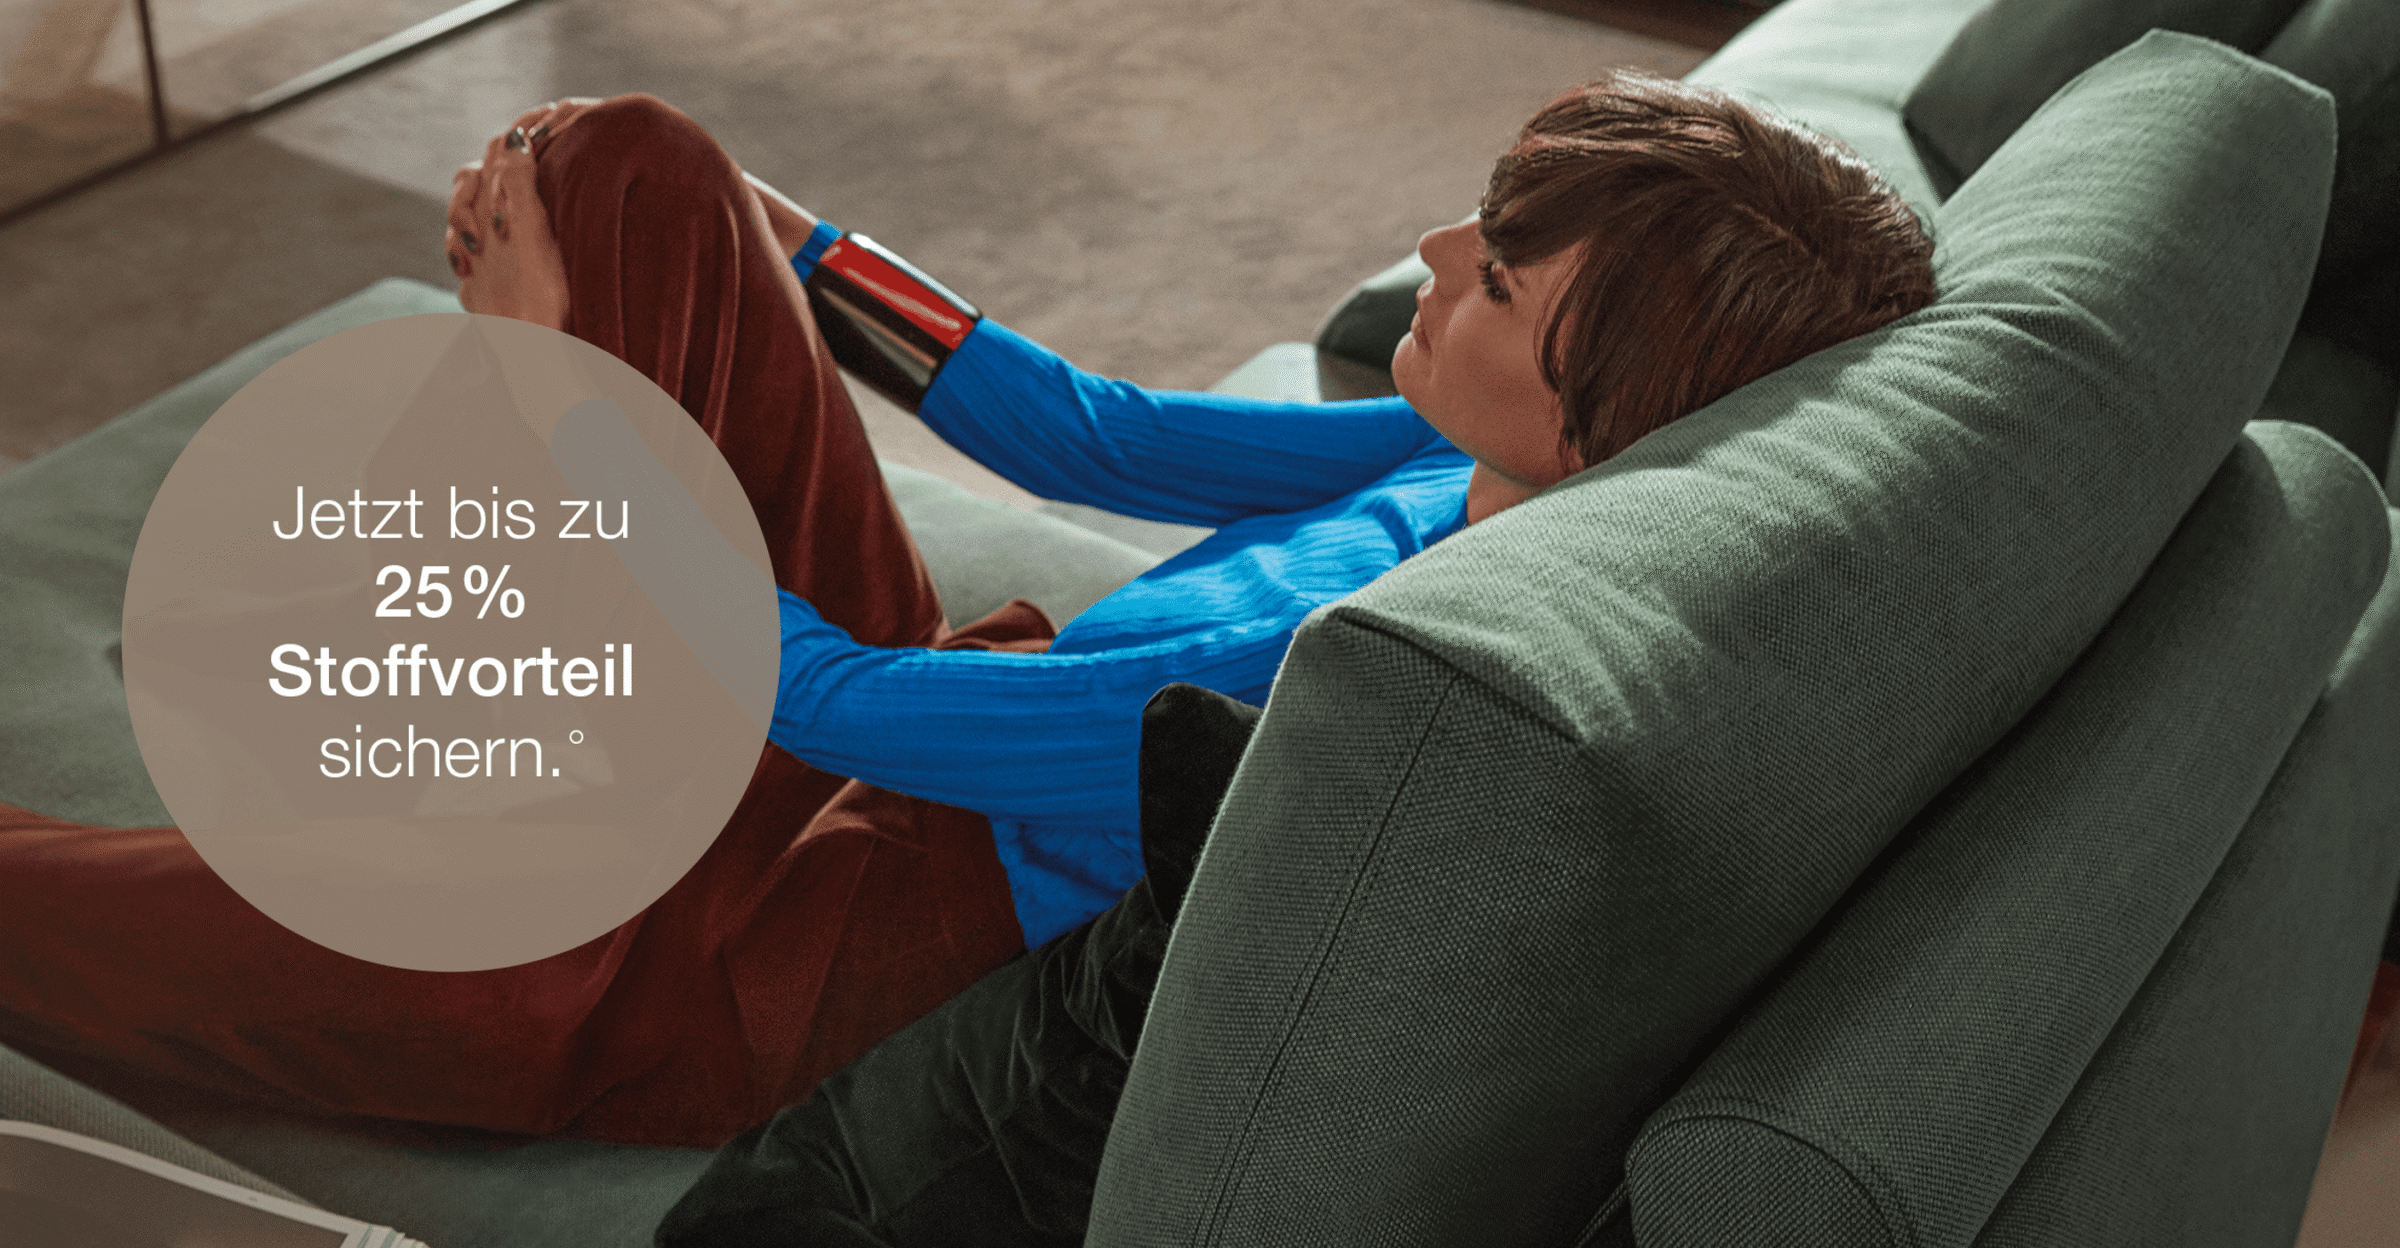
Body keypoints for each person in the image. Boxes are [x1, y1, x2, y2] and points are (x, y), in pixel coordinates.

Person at [0, 70, 1934, 1152]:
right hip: (880, 745)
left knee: (56, 912)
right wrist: (802, 243)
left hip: (742, 961)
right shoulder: (1458, 460)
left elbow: (804, 689)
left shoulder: (1313, 684)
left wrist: (540, 382)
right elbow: (1092, 432)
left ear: (1604, 424)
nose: (1433, 252)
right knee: (635, 166)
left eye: (1498, 278)